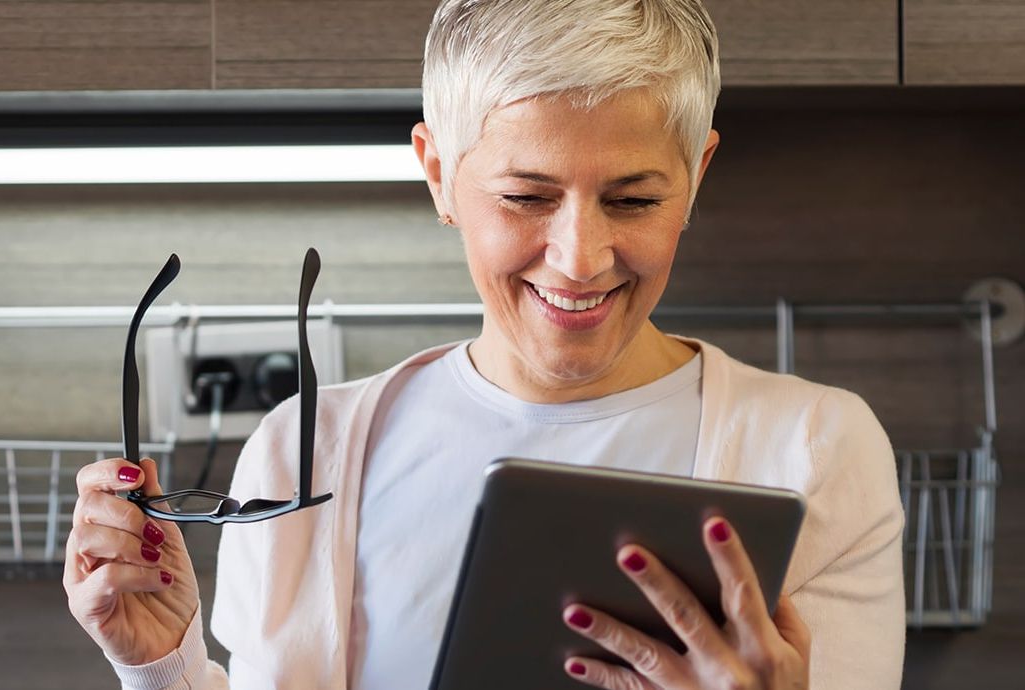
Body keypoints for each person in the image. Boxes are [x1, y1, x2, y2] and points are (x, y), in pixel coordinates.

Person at [63, 1, 906, 688]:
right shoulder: (301, 451)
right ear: (439, 174)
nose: (581, 257)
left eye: (633, 200)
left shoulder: (816, 449)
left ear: (697, 175)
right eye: (526, 196)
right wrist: (160, 664)